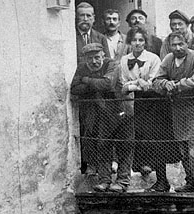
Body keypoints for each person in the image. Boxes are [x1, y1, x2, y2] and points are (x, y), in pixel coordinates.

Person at [118, 27, 177, 186]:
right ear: (130, 42)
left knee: (155, 140)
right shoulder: (124, 60)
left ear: (145, 42)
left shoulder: (154, 59)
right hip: (135, 103)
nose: (137, 43)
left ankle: (162, 181)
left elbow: (152, 83)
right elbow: (123, 84)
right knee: (140, 138)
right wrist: (137, 83)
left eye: (141, 40)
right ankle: (144, 171)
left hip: (154, 103)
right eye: (134, 40)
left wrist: (135, 85)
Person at [152, 31, 194, 192]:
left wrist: (177, 85)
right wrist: (164, 84)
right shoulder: (168, 59)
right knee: (183, 147)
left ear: (187, 43)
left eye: (180, 44)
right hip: (177, 109)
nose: (177, 48)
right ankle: (190, 181)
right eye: (174, 45)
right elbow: (156, 80)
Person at [70, 43, 129, 192]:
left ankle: (122, 181)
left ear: (103, 55)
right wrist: (94, 83)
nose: (94, 62)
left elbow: (107, 84)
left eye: (97, 57)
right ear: (85, 59)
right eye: (90, 59)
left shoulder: (112, 64)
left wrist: (87, 80)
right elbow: (75, 89)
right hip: (102, 112)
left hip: (121, 110)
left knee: (124, 146)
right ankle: (105, 180)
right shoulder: (82, 68)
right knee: (103, 145)